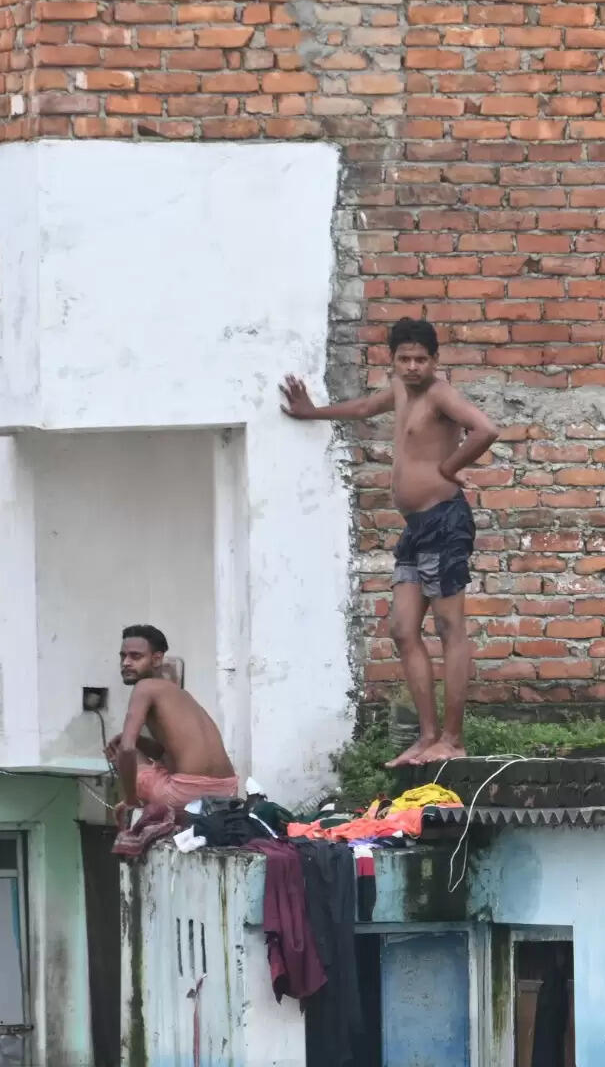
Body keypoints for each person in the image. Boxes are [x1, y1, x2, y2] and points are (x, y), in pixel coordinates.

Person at [281, 317, 499, 766]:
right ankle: (426, 738)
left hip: (444, 522)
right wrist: (310, 412)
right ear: (393, 360)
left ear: (435, 361)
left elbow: (485, 429)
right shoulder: (400, 390)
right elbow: (363, 408)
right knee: (402, 629)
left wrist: (448, 467)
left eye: (422, 359)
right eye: (405, 359)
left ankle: (452, 741)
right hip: (415, 529)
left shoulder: (441, 394)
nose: (413, 366)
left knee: (448, 628)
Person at [106, 624, 240, 812]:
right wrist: (140, 741)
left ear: (156, 659)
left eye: (135, 656)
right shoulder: (180, 693)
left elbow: (127, 749)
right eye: (123, 656)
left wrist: (130, 800)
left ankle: (132, 805)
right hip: (227, 789)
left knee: (121, 749)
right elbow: (165, 751)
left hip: (185, 793)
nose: (126, 662)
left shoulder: (144, 687)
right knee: (135, 747)